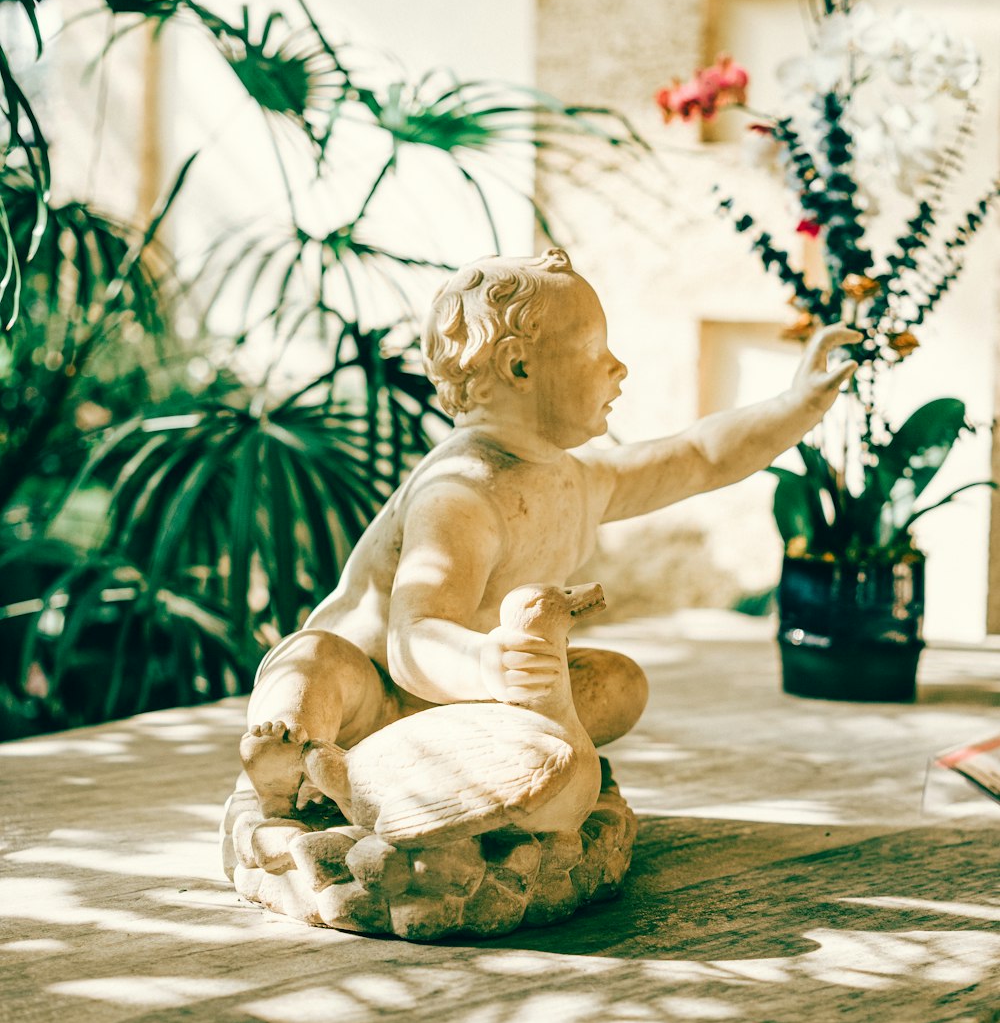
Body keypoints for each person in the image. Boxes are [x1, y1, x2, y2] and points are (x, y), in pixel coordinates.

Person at [241, 247, 858, 810]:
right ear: (518, 367)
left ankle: (452, 776)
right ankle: (290, 754)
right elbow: (412, 639)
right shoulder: (462, 493)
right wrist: (485, 663)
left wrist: (797, 404)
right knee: (315, 663)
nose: (618, 368)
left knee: (617, 683)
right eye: (595, 350)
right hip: (371, 699)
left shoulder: (572, 479)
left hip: (467, 709)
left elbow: (698, 458)